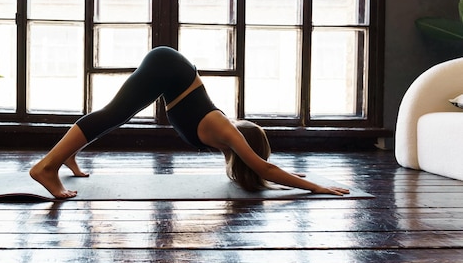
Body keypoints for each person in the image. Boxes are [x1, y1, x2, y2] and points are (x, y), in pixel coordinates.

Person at [30, 46, 350, 199]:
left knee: (115, 115)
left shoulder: (226, 136)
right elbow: (265, 170)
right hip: (169, 66)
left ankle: (68, 153)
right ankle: (48, 166)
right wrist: (315, 187)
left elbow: (266, 166)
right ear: (244, 147)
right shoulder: (226, 131)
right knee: (115, 114)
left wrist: (290, 174)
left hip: (171, 69)